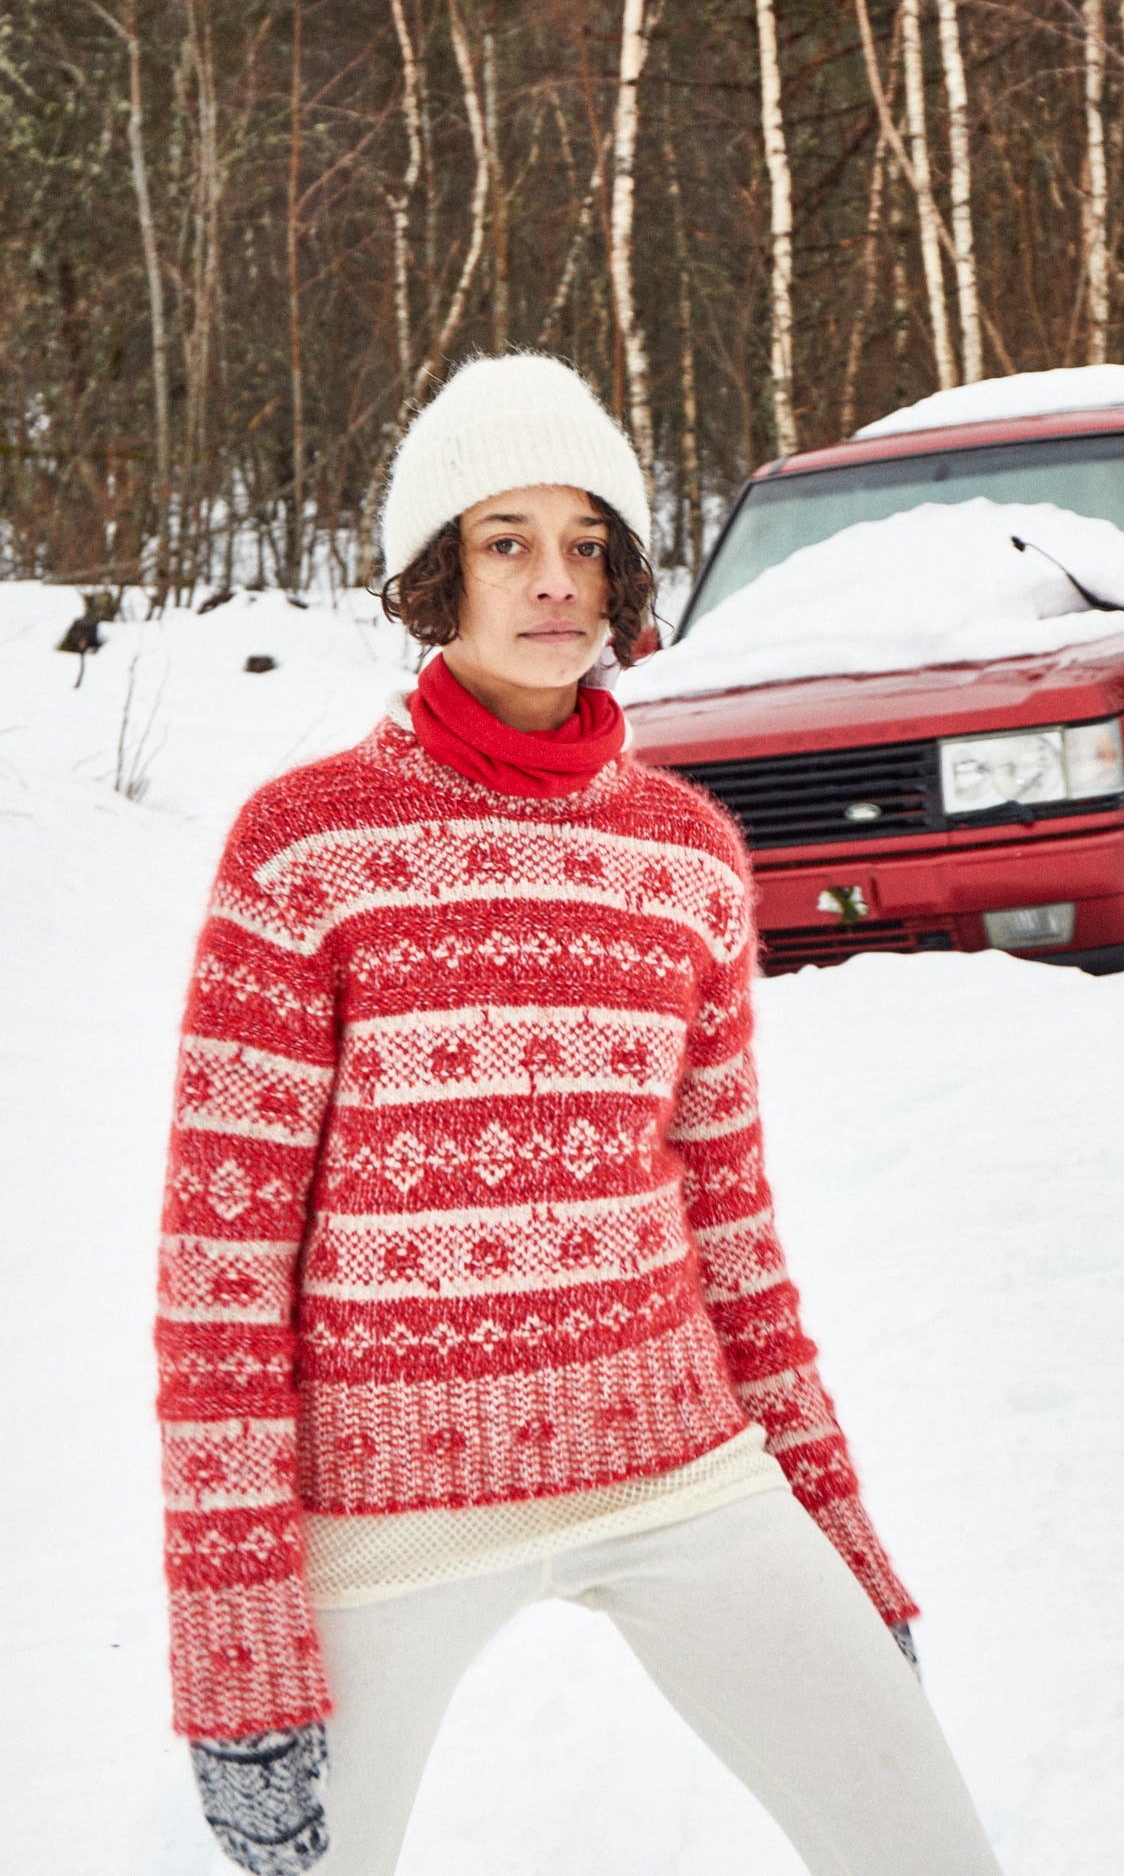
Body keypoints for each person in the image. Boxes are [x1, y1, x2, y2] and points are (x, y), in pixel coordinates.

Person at [156, 353, 1003, 1876]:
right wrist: (238, 1660)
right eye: (508, 541)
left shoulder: (685, 858)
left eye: (588, 542)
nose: (557, 581)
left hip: (679, 1465)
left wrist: (849, 1562)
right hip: (387, 1507)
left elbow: (734, 1239)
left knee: (929, 1853)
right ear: (438, 574)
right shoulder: (303, 848)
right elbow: (219, 1277)